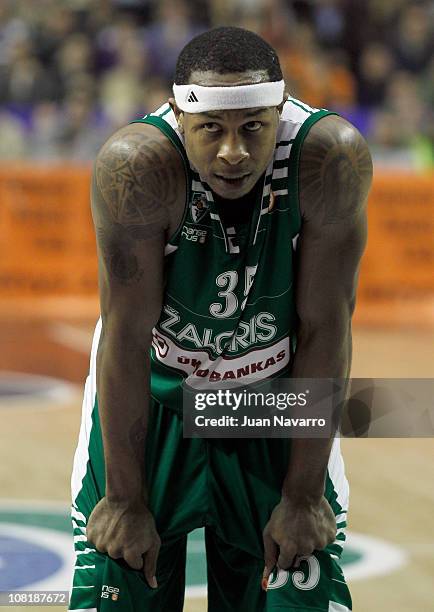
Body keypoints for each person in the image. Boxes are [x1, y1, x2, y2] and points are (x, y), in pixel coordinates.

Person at [69, 26, 372, 612]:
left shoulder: (328, 157)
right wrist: (127, 501)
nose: (232, 151)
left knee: (292, 590)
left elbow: (325, 329)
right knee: (120, 580)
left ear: (279, 113)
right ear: (181, 121)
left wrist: (305, 495)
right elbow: (126, 340)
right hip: (155, 394)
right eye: (211, 129)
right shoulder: (137, 166)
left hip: (275, 399)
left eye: (253, 128)